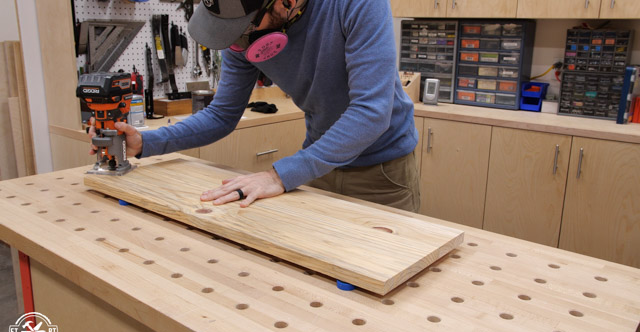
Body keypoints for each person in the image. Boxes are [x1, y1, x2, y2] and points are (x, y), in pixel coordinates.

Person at [91, 0, 421, 212]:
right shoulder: (243, 32)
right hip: (317, 166)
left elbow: (372, 112)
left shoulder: (357, 4)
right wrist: (146, 142)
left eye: (246, 28)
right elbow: (222, 114)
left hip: (382, 171)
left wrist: (280, 175)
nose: (237, 42)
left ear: (287, 3)